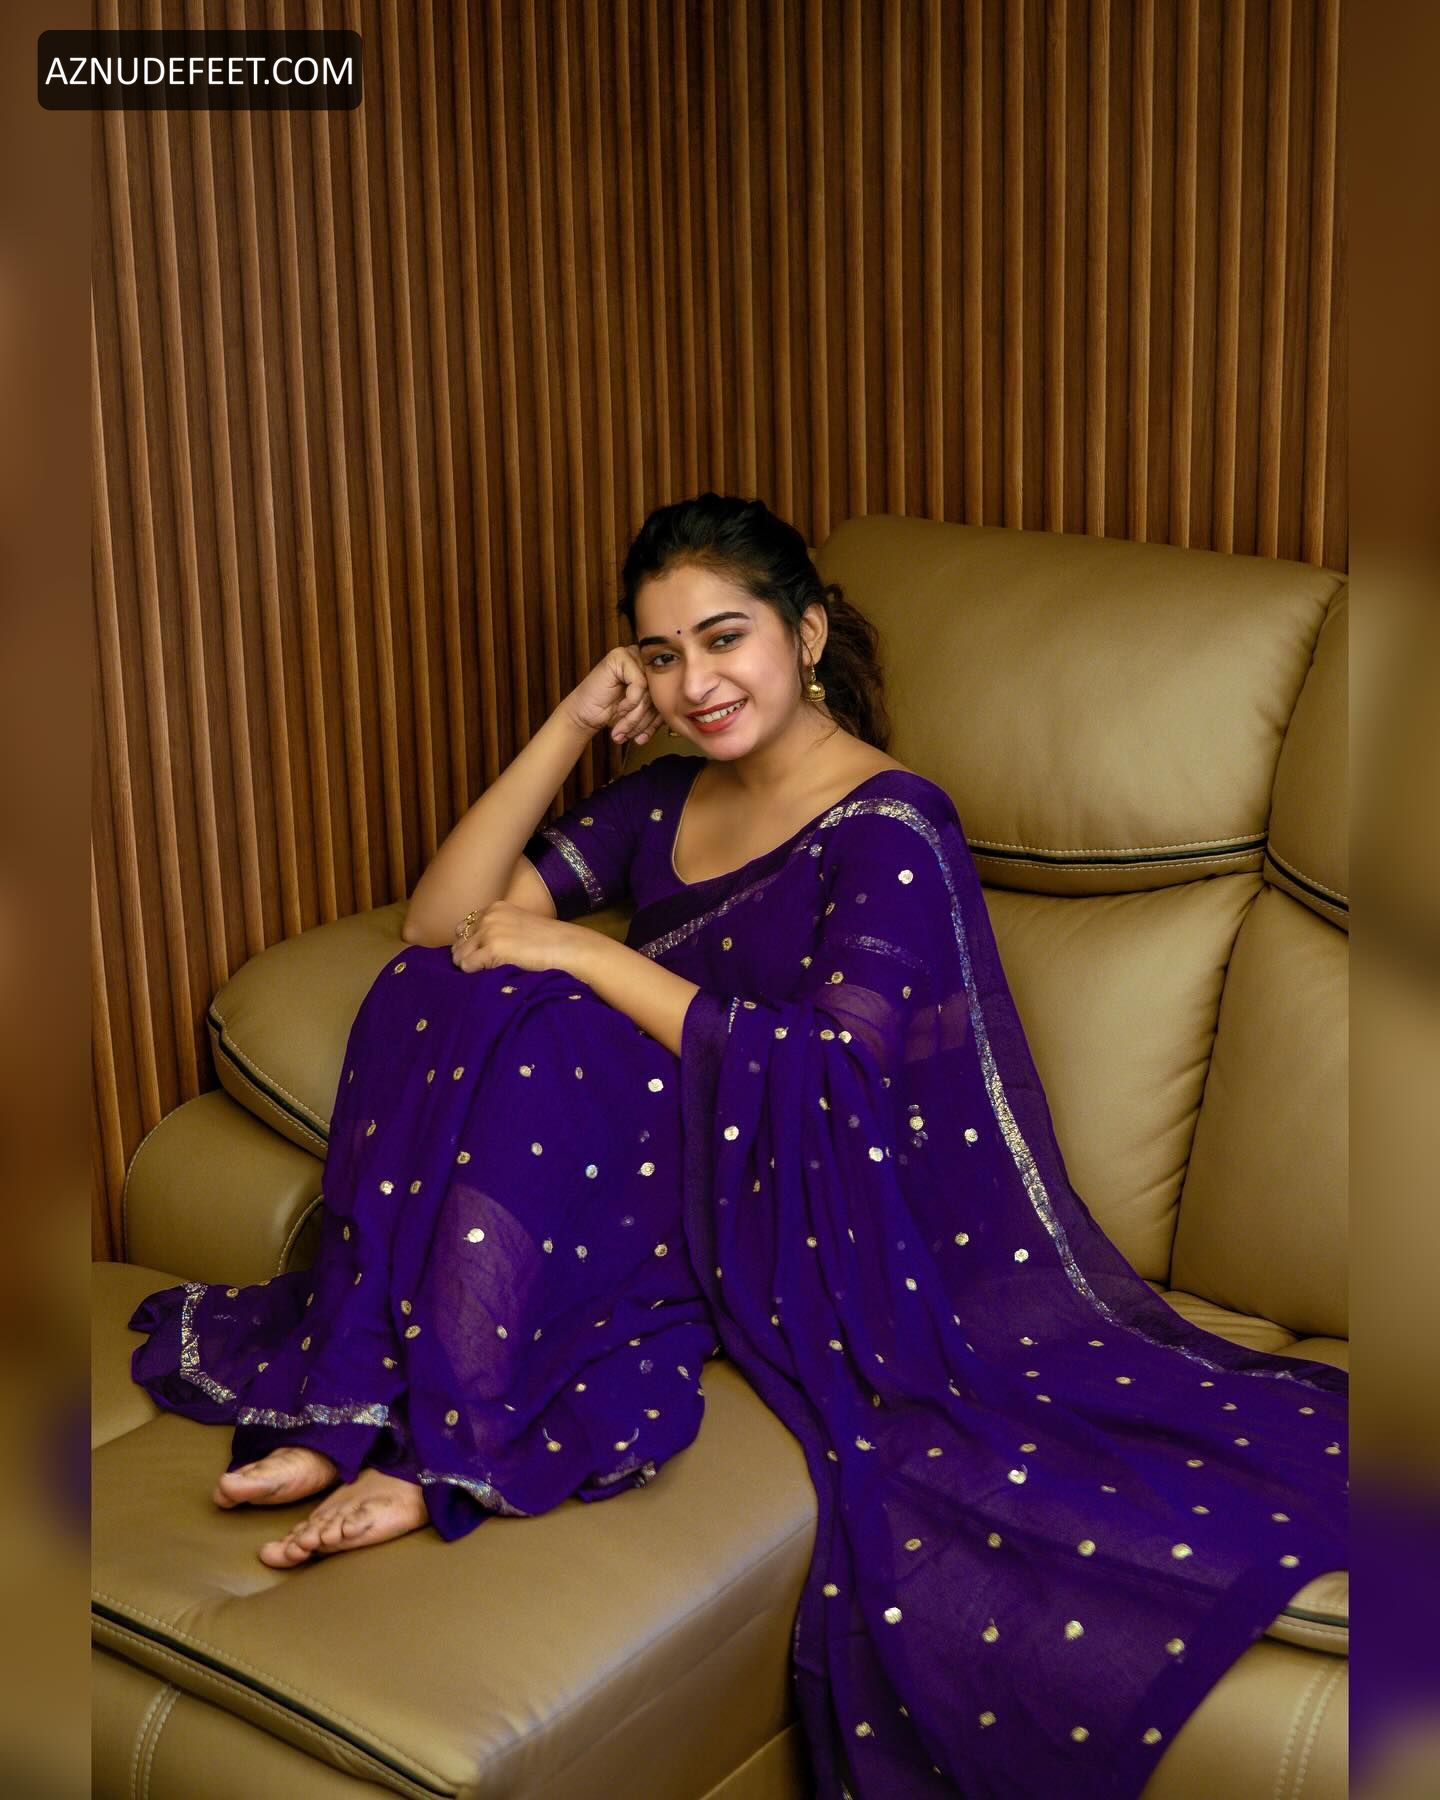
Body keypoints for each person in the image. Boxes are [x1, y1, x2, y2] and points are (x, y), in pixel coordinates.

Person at [129, 493, 1347, 1798]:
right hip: (656, 1167)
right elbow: (441, 922)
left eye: (725, 639)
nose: (696, 684)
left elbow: (833, 1075)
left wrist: (582, 953)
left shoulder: (892, 825)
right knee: (440, 988)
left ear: (805, 632)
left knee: (535, 1000)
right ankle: (357, 1402)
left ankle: (438, 1451)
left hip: (794, 1192)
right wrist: (573, 722)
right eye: (661, 656)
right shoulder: (663, 801)